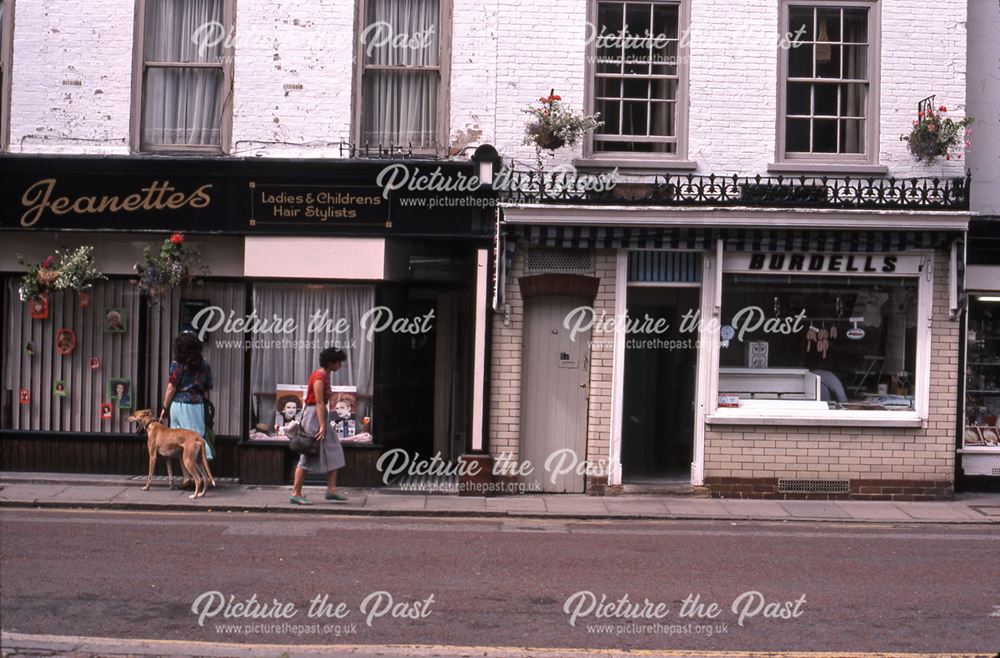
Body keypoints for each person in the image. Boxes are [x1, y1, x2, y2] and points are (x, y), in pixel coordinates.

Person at [289, 348, 348, 505]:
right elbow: (319, 402)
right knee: (308, 452)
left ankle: (331, 490)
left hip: (320, 415)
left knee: (334, 448)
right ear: (330, 362)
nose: (340, 365)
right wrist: (322, 426)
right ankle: (296, 493)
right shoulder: (320, 377)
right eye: (338, 362)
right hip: (313, 416)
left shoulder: (325, 375)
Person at [160, 333, 214, 460]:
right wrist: (206, 406)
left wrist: (164, 408)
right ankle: (203, 475)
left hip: (176, 405)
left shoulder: (177, 363)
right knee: (196, 439)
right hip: (195, 405)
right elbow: (207, 389)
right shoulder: (204, 364)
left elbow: (171, 387)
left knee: (179, 442)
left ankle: (186, 477)